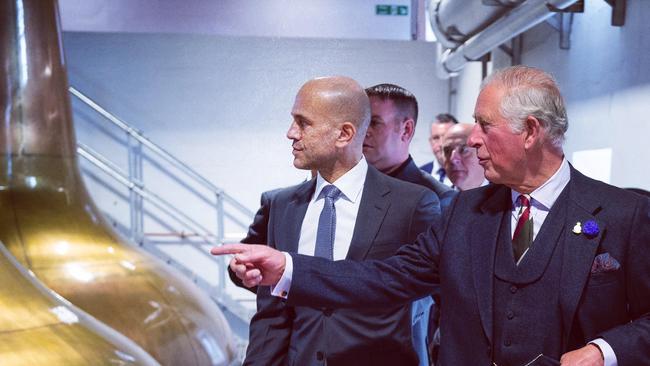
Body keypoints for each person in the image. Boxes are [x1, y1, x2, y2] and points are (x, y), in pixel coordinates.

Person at [214, 66, 650, 366]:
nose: (472, 140)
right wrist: (287, 268)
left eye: (484, 125)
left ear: (531, 132)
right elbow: (383, 278)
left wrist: (604, 350)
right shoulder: (465, 213)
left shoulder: (625, 214)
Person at [240, 76, 440, 366]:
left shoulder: (412, 204)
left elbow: (437, 299)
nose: (290, 133)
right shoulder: (284, 206)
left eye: (303, 123)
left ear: (344, 134)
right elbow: (272, 317)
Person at [364, 83, 453, 366]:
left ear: (406, 130)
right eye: (360, 122)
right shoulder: (345, 193)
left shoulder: (439, 200)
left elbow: (447, 296)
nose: (362, 132)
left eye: (374, 123)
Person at [441, 123, 488, 191]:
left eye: (464, 150)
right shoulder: (437, 199)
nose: (452, 159)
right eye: (447, 151)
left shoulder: (506, 197)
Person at [419, 113, 457, 186]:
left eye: (447, 136)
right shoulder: (418, 175)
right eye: (436, 138)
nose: (441, 144)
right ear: (430, 142)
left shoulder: (470, 175)